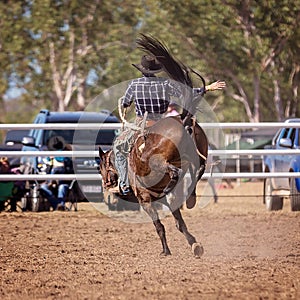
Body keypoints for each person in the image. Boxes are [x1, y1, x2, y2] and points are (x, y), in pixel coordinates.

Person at [113, 54, 226, 195]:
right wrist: (207, 88)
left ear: (142, 70)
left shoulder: (134, 84)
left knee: (118, 147)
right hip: (162, 122)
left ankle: (124, 185)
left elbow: (126, 102)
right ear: (155, 71)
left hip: (143, 124)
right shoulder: (165, 84)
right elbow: (187, 93)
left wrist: (125, 101)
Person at [39, 136, 73, 211]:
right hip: (52, 179)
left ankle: (60, 205)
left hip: (63, 180)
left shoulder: (66, 156)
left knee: (62, 187)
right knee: (43, 187)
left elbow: (69, 168)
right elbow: (45, 166)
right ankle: (57, 205)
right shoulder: (50, 156)